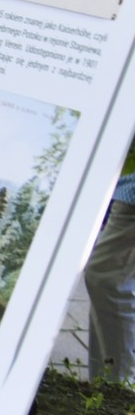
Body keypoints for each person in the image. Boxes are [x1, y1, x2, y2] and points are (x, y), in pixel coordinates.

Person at [84, 151, 135, 385]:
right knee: (107, 288)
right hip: (124, 183)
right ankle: (103, 386)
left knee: (108, 281)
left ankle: (121, 393)